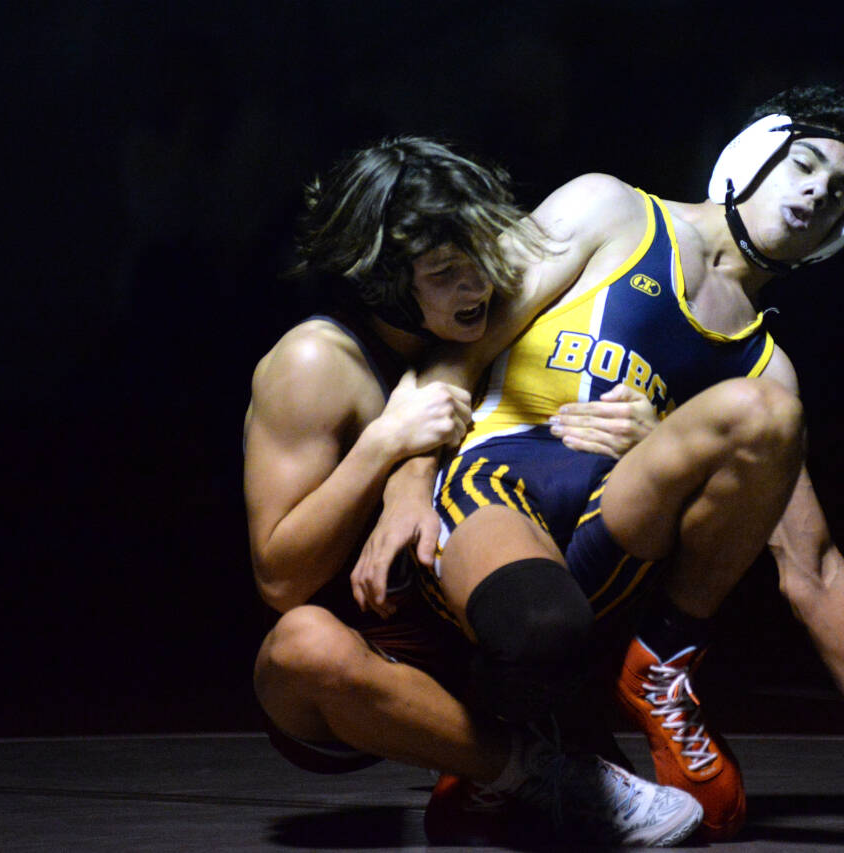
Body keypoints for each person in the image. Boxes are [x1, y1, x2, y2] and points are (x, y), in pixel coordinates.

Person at [357, 86, 844, 841]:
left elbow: (814, 567)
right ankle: (515, 736)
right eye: (804, 165)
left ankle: (659, 662)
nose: (816, 195)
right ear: (751, 152)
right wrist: (406, 486)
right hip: (499, 486)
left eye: (839, 194)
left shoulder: (766, 369)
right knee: (540, 626)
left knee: (768, 411)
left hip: (614, 537)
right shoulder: (610, 211)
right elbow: (454, 348)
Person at [245, 136, 704, 846]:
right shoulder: (316, 364)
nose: (480, 285)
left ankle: (550, 724)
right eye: (446, 272)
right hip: (377, 669)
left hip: (491, 633)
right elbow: (279, 579)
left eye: (484, 255)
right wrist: (382, 444)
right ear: (383, 281)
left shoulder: (496, 321)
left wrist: (653, 428)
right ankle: (538, 771)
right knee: (300, 646)